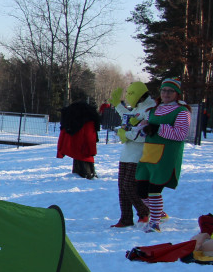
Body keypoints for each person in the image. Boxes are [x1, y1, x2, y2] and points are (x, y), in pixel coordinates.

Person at [136, 77, 191, 233]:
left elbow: (180, 134)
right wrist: (143, 128)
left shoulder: (182, 111)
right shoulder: (153, 110)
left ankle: (154, 223)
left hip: (166, 156)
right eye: (164, 90)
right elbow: (147, 129)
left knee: (154, 190)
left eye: (170, 91)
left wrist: (158, 128)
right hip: (149, 154)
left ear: (177, 93)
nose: (166, 94)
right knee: (141, 190)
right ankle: (159, 213)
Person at [110, 82, 154, 228]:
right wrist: (118, 105)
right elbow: (127, 117)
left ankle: (145, 211)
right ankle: (126, 218)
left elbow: (145, 133)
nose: (128, 96)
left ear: (139, 94)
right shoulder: (138, 107)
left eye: (130, 93)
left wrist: (126, 134)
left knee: (129, 185)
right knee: (122, 188)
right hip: (127, 153)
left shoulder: (150, 108)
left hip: (139, 154)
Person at [56, 98, 101, 179]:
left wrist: (60, 150)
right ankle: (88, 174)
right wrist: (92, 150)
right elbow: (90, 137)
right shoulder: (88, 120)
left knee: (80, 160)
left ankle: (83, 174)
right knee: (85, 162)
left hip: (78, 147)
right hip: (85, 149)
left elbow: (63, 135)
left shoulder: (71, 119)